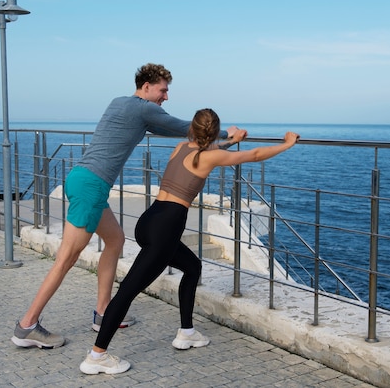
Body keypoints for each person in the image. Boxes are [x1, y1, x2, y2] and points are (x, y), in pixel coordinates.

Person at [12, 64, 239, 349]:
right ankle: (27, 325)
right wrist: (228, 139)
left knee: (115, 240)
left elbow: (177, 133)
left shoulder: (121, 103)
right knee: (66, 259)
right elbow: (192, 130)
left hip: (82, 180)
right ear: (146, 86)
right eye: (163, 90)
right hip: (92, 187)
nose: (165, 97)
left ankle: (103, 311)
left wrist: (211, 142)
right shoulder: (145, 109)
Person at [79, 108, 299, 375]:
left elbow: (210, 149)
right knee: (127, 291)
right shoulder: (210, 156)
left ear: (193, 129)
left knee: (193, 268)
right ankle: (97, 356)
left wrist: (230, 140)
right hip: (166, 230)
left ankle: (187, 332)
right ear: (213, 131)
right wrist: (286, 143)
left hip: (149, 220)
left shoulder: (181, 146)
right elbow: (252, 155)